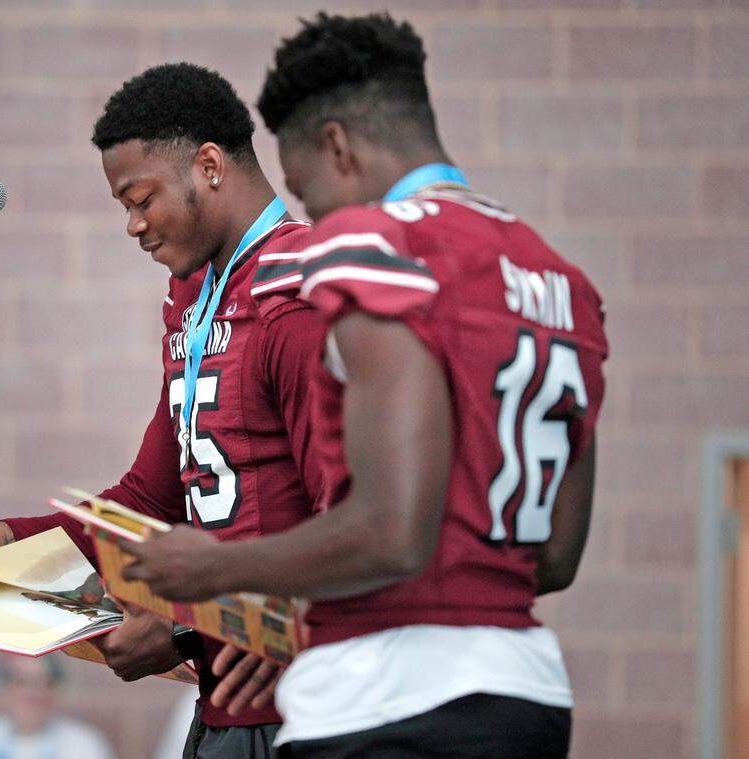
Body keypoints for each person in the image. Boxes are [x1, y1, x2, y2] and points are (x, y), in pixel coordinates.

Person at [121, 13, 609, 758]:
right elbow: (556, 557)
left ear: (337, 147)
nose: (312, 219)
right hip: (527, 691)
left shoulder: (376, 245)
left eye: (308, 193)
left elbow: (390, 532)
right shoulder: (562, 279)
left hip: (389, 695)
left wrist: (212, 567)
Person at [0, 62, 328, 758]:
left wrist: (183, 629)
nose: (132, 225)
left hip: (311, 709)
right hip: (225, 709)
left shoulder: (299, 292)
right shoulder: (195, 293)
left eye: (141, 198)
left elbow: (357, 528)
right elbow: (148, 498)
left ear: (208, 165)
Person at [0, 655, 115, 759]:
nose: (33, 693)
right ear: (5, 688)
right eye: (22, 682)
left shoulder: (83, 745)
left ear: (57, 690)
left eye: (43, 682)